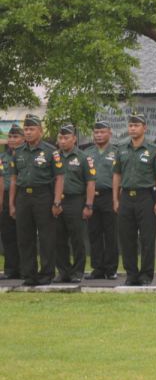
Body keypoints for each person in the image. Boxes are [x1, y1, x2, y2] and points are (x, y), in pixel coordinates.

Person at [8, 114, 65, 286]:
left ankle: (46, 274)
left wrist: (57, 202)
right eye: (26, 129)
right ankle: (29, 275)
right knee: (25, 237)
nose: (28, 132)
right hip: (23, 197)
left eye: (31, 129)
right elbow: (13, 179)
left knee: (46, 237)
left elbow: (60, 178)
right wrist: (11, 203)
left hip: (43, 196)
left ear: (40, 130)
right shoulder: (18, 152)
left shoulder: (50, 151)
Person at [113, 113, 156, 286]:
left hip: (146, 197)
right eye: (130, 125)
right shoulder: (121, 149)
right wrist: (115, 199)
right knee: (126, 238)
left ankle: (145, 275)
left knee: (147, 239)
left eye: (136, 125)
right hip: (126, 197)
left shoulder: (154, 150)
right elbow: (117, 175)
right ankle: (131, 275)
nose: (133, 128)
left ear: (145, 128)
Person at [53, 124, 96, 283]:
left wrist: (88, 205)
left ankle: (77, 271)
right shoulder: (54, 156)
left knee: (77, 238)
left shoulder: (83, 157)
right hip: (57, 201)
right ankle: (63, 271)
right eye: (60, 138)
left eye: (66, 138)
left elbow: (91, 182)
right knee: (58, 238)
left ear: (74, 139)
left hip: (75, 200)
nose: (62, 141)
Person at [84, 120, 119, 280]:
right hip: (92, 197)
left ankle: (111, 269)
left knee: (111, 234)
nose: (98, 135)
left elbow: (120, 176)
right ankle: (97, 268)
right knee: (94, 234)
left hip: (109, 196)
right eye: (96, 132)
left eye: (102, 132)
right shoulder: (87, 153)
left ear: (110, 133)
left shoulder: (117, 152)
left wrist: (117, 199)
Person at [0, 125, 24, 280]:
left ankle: (25, 268)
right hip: (5, 195)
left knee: (24, 235)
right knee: (8, 235)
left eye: (16, 137)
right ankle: (10, 269)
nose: (12, 140)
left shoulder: (26, 155)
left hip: (23, 196)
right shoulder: (2, 157)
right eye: (10, 137)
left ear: (23, 139)